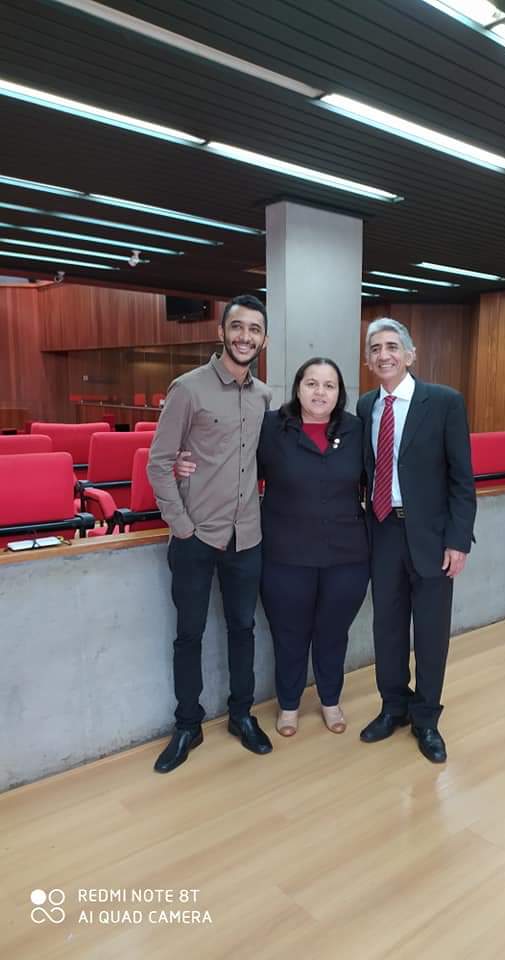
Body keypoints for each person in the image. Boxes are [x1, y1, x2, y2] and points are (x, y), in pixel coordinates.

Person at [177, 358, 369, 737]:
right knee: (288, 633)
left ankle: (331, 700)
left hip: (346, 554)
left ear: (339, 393)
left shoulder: (357, 430)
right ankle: (290, 704)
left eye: (328, 385)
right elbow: (235, 466)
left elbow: (379, 475)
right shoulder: (271, 427)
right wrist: (185, 460)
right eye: (311, 383)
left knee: (333, 632)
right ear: (297, 388)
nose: (319, 392)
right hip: (286, 553)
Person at [147, 294, 273, 774]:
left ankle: (241, 714)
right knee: (189, 634)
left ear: (264, 338)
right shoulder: (188, 388)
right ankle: (187, 724)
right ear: (222, 332)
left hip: (248, 538)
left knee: (243, 629)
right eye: (237, 328)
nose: (245, 337)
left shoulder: (264, 396)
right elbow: (159, 463)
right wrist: (183, 526)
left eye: (255, 330)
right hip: (197, 537)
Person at [357, 318, 476, 764]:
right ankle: (394, 707)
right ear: (368, 360)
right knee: (386, 626)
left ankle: (426, 718)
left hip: (431, 537)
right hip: (382, 532)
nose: (383, 354)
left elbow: (462, 480)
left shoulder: (444, 403)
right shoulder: (365, 405)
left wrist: (458, 540)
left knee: (429, 632)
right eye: (375, 348)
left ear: (410, 355)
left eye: (392, 346)